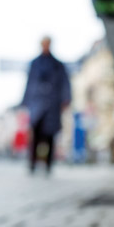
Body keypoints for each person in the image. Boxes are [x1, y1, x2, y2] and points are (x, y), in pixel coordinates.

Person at [20, 36, 71, 174]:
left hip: (52, 104)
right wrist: (25, 102)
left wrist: (66, 100)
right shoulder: (35, 64)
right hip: (37, 103)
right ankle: (32, 163)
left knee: (50, 136)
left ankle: (48, 165)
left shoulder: (58, 65)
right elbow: (29, 83)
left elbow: (65, 83)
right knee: (35, 134)